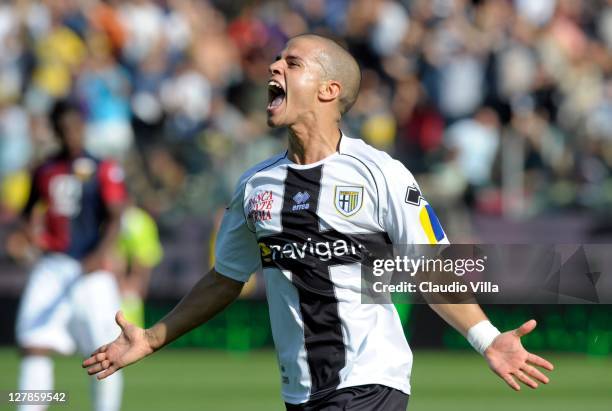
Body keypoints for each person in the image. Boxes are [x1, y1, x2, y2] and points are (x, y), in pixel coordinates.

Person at [83, 34, 554, 410]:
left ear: (329, 90)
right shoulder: (255, 186)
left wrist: (487, 339)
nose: (273, 67)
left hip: (371, 382)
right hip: (301, 392)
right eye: (276, 59)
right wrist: (151, 338)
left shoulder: (380, 173)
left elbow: (428, 266)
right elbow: (226, 278)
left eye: (292, 63)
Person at [16, 100, 126, 411]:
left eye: (75, 127)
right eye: (64, 129)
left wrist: (100, 255)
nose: (71, 135)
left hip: (93, 270)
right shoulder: (44, 169)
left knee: (106, 352)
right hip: (53, 265)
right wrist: (29, 238)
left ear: (83, 128)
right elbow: (27, 212)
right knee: (34, 344)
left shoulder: (104, 168)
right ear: (55, 131)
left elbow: (116, 216)